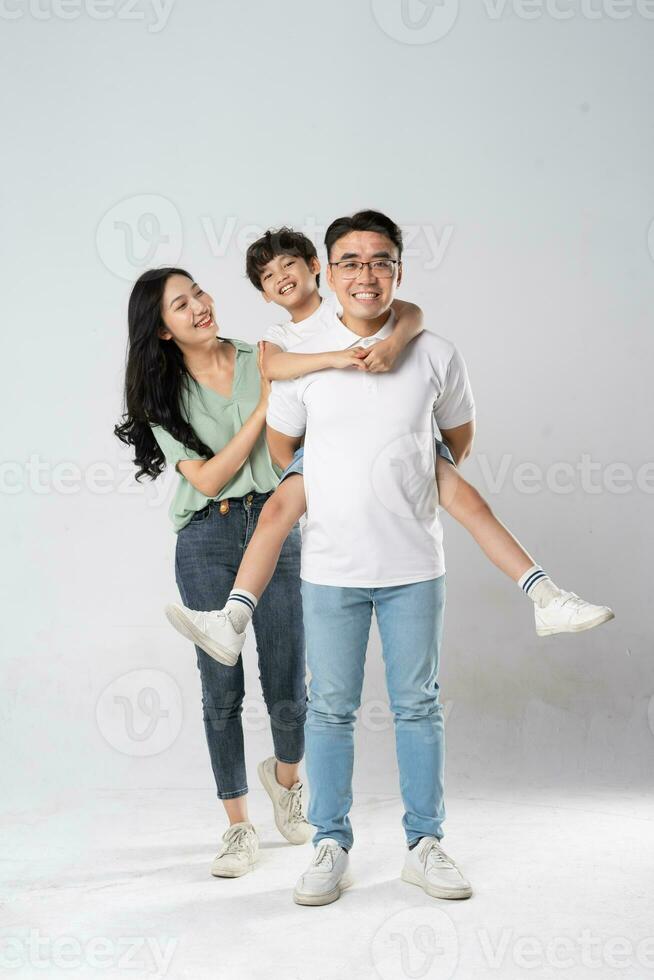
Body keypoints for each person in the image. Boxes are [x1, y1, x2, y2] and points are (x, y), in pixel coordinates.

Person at [166, 211, 614, 906]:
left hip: (413, 566)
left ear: (397, 270)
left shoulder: (431, 349)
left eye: (380, 261)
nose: (365, 273)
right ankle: (328, 844)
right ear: (331, 271)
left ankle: (425, 842)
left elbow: (458, 437)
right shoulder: (295, 352)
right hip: (332, 570)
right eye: (351, 261)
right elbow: (285, 453)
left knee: (418, 707)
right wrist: (341, 461)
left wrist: (407, 465)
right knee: (332, 711)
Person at [165, 224, 614, 667]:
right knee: (277, 511)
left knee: (472, 505)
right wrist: (339, 359)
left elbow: (413, 314)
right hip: (327, 445)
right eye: (268, 276)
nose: (281, 276)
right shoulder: (279, 337)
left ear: (318, 267)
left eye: (289, 264)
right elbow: (276, 369)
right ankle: (233, 618)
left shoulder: (352, 300)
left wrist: (396, 343)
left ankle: (547, 596)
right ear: (264, 293)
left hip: (399, 436)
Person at [114, 267, 314, 880]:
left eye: (198, 292)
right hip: (205, 537)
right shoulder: (161, 397)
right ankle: (237, 825)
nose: (200, 306)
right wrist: (262, 410)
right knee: (220, 686)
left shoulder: (266, 354)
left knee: (288, 682)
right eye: (181, 304)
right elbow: (206, 478)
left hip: (274, 526)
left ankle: (287, 785)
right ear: (164, 330)